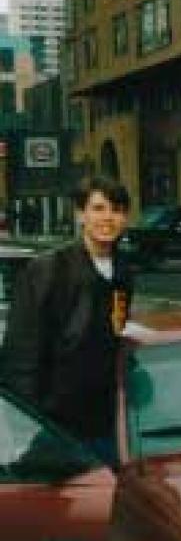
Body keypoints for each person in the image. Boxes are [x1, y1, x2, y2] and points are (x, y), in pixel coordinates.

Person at [1, 176, 133, 465]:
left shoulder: (124, 271)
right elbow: (20, 352)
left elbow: (118, 329)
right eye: (98, 208)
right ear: (80, 214)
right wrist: (32, 422)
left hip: (107, 421)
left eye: (117, 209)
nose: (108, 218)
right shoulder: (48, 270)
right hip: (57, 427)